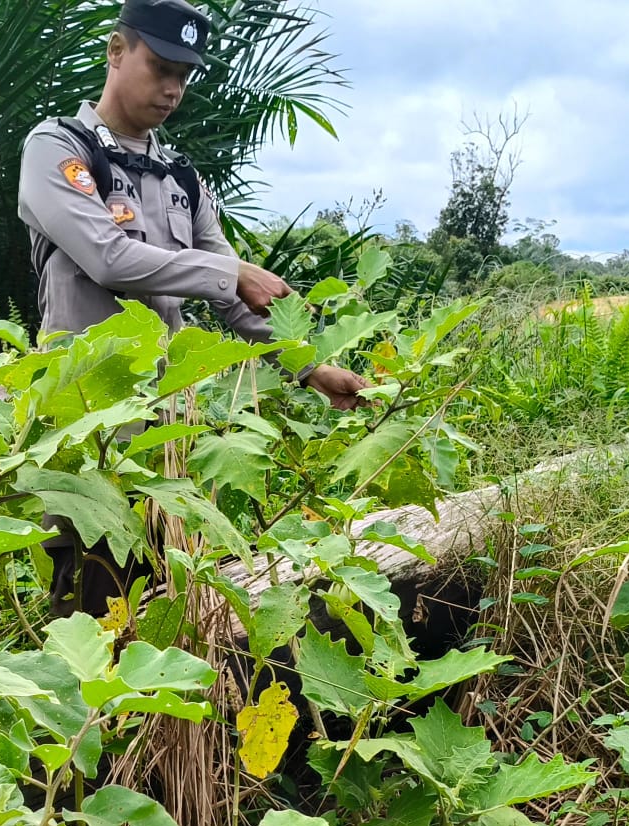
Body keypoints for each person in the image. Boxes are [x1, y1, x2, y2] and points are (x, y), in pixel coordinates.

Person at [18, 0, 369, 610]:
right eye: (160, 67)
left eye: (184, 74)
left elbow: (236, 300)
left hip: (167, 437)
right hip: (87, 428)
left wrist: (311, 369)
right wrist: (229, 269)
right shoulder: (58, 149)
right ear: (117, 51)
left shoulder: (181, 178)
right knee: (90, 602)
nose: (173, 88)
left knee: (164, 605)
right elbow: (108, 257)